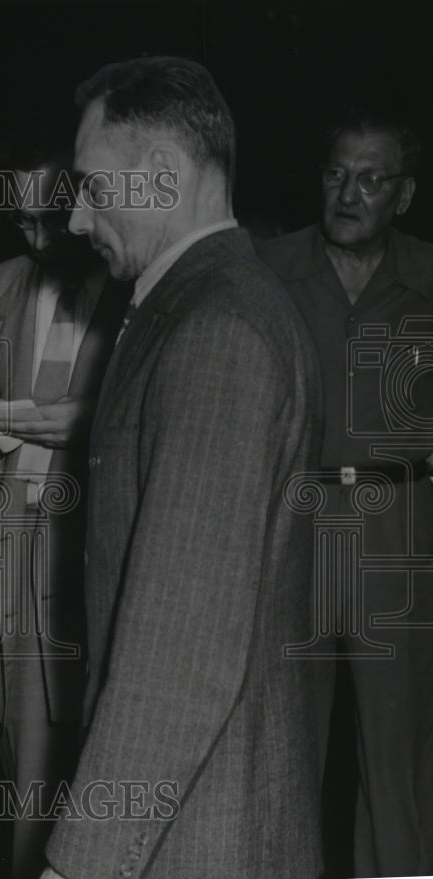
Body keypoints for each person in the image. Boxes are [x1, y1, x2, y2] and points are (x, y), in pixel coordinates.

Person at [40, 57, 324, 878]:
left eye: (92, 187)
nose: (75, 219)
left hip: (200, 830)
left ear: (161, 175)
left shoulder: (215, 328)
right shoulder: (215, 301)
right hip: (203, 808)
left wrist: (82, 861)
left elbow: (181, 648)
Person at [256, 111, 433, 878]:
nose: (349, 191)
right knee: (281, 744)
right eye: (336, 173)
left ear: (404, 194)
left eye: (371, 178)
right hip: (294, 518)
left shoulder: (428, 276)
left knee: (396, 754)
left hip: (397, 524)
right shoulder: (266, 268)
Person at [0, 133, 130, 879]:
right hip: (19, 550)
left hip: (106, 548)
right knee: (28, 787)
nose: (38, 240)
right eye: (21, 223)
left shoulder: (137, 290)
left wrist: (61, 421)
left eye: (52, 219)